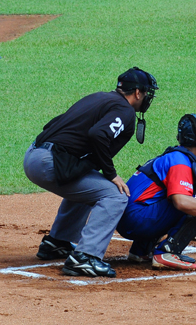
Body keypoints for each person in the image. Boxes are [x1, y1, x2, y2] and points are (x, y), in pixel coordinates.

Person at [23, 67, 158, 278]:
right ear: (138, 93)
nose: (147, 98)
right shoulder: (125, 110)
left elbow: (54, 123)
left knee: (90, 182)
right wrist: (111, 173)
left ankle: (57, 242)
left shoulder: (99, 97)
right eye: (147, 93)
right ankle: (85, 257)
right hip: (50, 163)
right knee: (114, 195)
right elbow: (99, 135)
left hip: (35, 156)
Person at [117, 114, 196, 271]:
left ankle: (141, 250)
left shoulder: (177, 157)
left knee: (174, 193)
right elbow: (181, 202)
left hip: (129, 220)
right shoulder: (180, 162)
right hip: (138, 220)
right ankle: (167, 252)